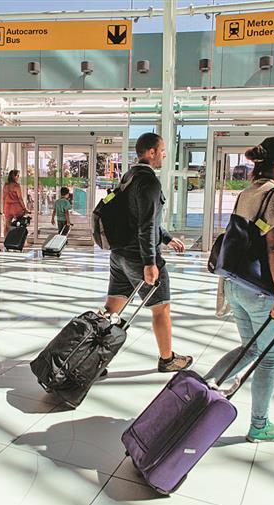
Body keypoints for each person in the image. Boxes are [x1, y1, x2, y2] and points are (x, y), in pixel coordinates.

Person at [204, 136, 274, 443]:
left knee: (251, 348)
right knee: (268, 357)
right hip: (260, 290)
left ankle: (202, 388)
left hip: (235, 285)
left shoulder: (247, 191)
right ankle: (260, 424)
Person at [103, 132, 191, 373]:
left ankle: (92, 356)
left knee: (112, 309)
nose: (164, 155)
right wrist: (150, 262)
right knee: (161, 308)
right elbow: (145, 225)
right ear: (151, 152)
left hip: (118, 255)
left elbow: (140, 219)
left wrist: (167, 237)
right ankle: (167, 359)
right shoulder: (150, 181)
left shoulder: (129, 176)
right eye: (162, 150)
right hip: (138, 257)